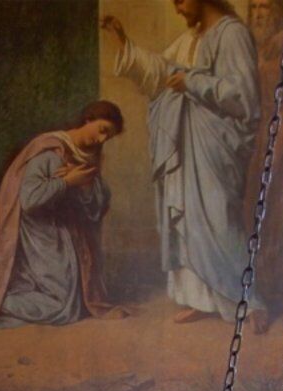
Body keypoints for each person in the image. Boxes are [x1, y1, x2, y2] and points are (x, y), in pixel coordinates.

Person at [103, 0, 268, 322]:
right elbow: (162, 72)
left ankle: (247, 302)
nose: (178, 9)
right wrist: (125, 44)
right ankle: (201, 299)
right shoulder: (192, 38)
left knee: (218, 220)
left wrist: (191, 82)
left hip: (216, 145)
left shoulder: (232, 34)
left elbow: (243, 97)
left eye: (180, 0)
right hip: (189, 142)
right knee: (190, 219)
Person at [0, 101, 125, 334]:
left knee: (77, 299)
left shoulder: (88, 156)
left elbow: (98, 205)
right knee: (64, 307)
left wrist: (85, 186)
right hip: (39, 233)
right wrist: (66, 182)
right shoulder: (49, 150)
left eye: (107, 137)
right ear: (89, 119)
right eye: (102, 130)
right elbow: (29, 200)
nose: (102, 139)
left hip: (66, 231)